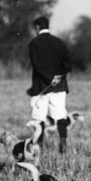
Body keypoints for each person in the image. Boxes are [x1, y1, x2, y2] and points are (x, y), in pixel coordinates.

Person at [27, 16, 73, 154]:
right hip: (59, 86)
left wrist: (49, 78)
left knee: (39, 117)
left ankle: (39, 146)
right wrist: (58, 76)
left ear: (37, 28)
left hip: (41, 86)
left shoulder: (33, 44)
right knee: (60, 115)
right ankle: (63, 145)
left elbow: (37, 65)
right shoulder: (59, 42)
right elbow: (68, 63)